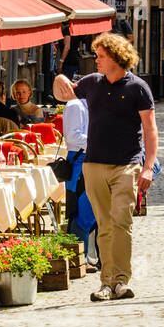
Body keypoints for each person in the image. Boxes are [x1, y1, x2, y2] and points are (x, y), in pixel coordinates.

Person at [53, 32, 157, 303]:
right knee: (104, 225)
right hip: (94, 165)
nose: (95, 60)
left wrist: (147, 167)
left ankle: (121, 280)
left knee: (121, 221)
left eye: (100, 56)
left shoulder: (138, 88)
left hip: (127, 164)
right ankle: (106, 283)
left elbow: (150, 129)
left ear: (115, 57)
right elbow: (62, 94)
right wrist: (59, 79)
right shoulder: (92, 83)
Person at [61, 95, 99, 272]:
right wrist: (101, 142)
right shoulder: (76, 106)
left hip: (94, 159)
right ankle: (78, 260)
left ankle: (88, 257)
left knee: (92, 208)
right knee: (81, 209)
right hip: (80, 162)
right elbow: (72, 137)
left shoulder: (96, 105)